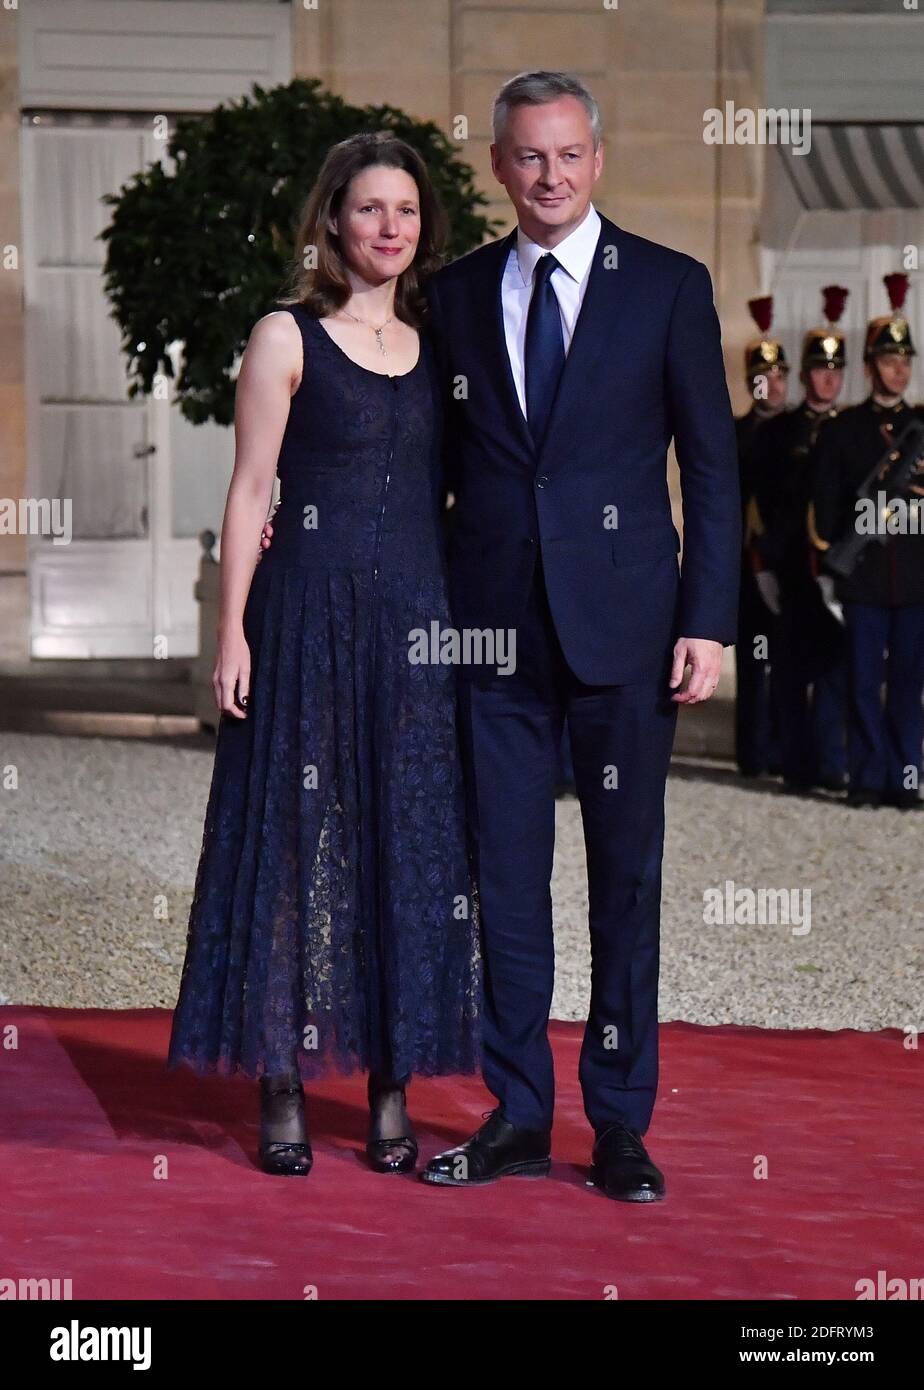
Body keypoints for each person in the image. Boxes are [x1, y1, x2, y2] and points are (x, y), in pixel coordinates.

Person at [419, 71, 740, 1201]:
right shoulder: (451, 296)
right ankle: (516, 1111)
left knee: (624, 882)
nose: (548, 177)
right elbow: (429, 469)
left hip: (629, 635)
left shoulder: (665, 287)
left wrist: (709, 620)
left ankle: (618, 1123)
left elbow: (710, 467)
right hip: (491, 638)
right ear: (500, 166)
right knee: (503, 882)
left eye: (567, 156)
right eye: (527, 157)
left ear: (596, 160)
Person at [167, 133, 481, 1176]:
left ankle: (391, 1084)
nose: (389, 228)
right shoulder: (284, 336)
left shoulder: (444, 346)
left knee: (405, 842)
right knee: (294, 848)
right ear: (332, 221)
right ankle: (282, 1082)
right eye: (368, 210)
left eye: (405, 211)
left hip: (415, 626)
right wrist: (231, 634)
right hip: (303, 617)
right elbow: (250, 488)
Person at [811, 273, 924, 810]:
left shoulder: (922, 428)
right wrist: (832, 568)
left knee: (908, 684)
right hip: (863, 579)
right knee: (860, 684)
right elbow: (828, 507)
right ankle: (866, 776)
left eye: (905, 361)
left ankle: (904, 777)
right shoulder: (843, 430)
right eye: (888, 360)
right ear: (870, 366)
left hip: (917, 576)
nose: (898, 370)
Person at [750, 286, 849, 792]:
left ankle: (833, 763)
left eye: (836, 370)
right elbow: (762, 502)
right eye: (818, 369)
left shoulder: (852, 428)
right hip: (789, 567)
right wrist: (762, 563)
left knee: (835, 671)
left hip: (838, 569)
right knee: (787, 673)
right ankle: (796, 765)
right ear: (806, 373)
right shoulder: (779, 432)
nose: (827, 378)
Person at [734, 296, 788, 777]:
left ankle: (785, 746)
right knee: (755, 661)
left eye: (779, 376)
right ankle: (752, 752)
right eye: (764, 377)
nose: (773, 384)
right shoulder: (738, 432)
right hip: (748, 563)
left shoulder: (800, 430)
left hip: (790, 561)